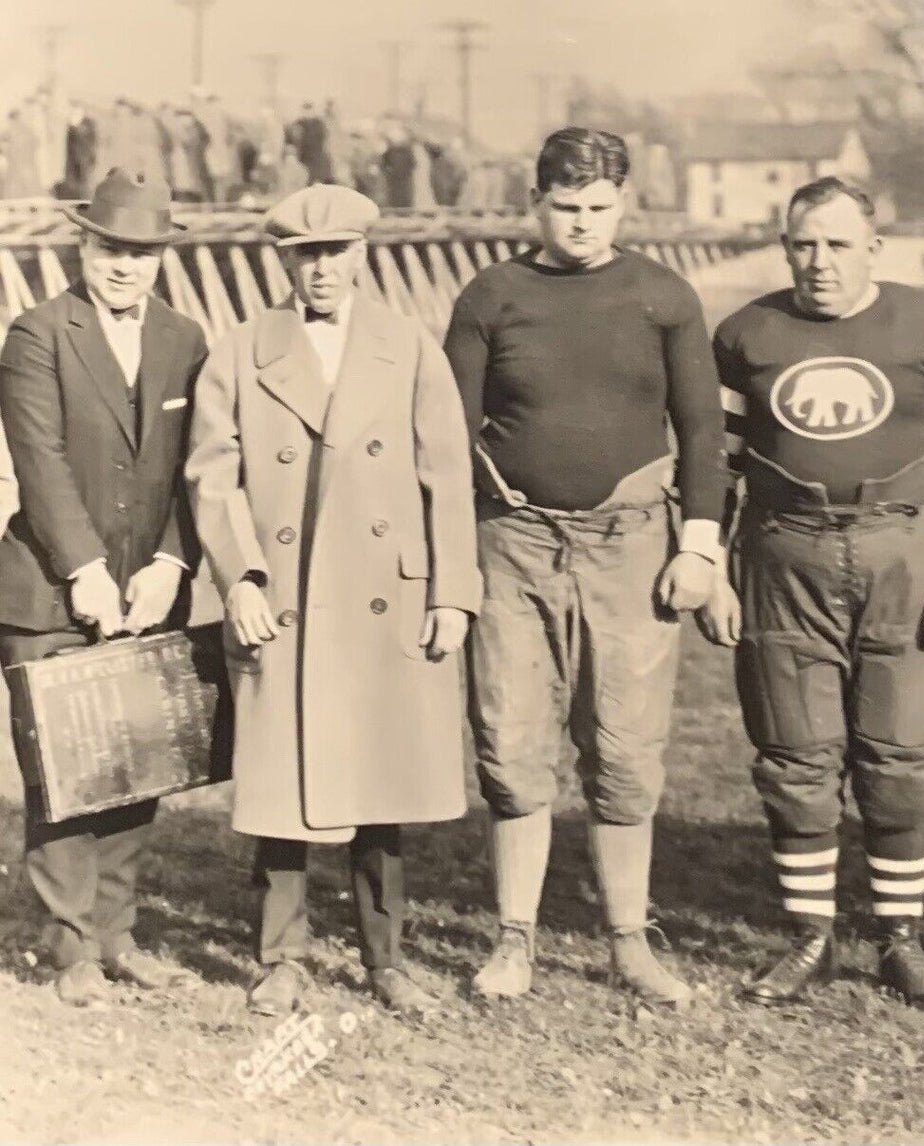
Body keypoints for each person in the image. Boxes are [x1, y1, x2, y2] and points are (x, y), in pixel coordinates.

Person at [700, 177, 924, 1009]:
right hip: (782, 549)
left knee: (901, 755)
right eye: (804, 244)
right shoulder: (745, 334)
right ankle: (810, 936)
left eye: (838, 244)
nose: (819, 262)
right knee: (794, 756)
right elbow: (714, 466)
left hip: (902, 545)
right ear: (784, 245)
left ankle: (899, 937)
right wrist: (710, 568)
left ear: (875, 246)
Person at [443, 127, 725, 1008]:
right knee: (512, 741)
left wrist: (700, 544)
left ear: (624, 203)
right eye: (566, 207)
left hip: (631, 545)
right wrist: (453, 570)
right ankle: (513, 941)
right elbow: (449, 441)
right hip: (514, 544)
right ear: (536, 203)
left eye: (600, 208)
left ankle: (629, 944)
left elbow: (705, 430)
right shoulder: (491, 296)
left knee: (626, 746)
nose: (582, 225)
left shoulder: (663, 294)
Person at [186, 184, 480, 1017]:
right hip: (285, 602)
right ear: (283, 261)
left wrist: (452, 591)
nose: (322, 270)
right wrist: (240, 575)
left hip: (386, 594)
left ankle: (384, 957)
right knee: (283, 783)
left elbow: (446, 477)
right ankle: (281, 955)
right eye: (306, 255)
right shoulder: (240, 350)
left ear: (362, 256)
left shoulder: (409, 346)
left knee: (381, 784)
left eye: (337, 252)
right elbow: (212, 477)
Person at [0, 167, 207, 1006]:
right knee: (64, 765)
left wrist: (171, 563)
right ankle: (70, 945)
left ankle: (117, 935)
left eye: (142, 251)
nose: (125, 265)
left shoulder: (185, 339)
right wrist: (85, 570)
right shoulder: (37, 333)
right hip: (54, 587)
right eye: (110, 247)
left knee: (135, 763)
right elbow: (39, 461)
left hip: (150, 588)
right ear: (83, 244)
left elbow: (202, 467)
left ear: (162, 255)